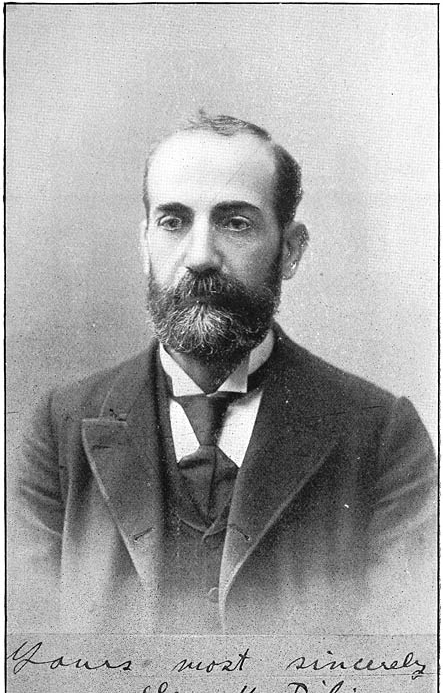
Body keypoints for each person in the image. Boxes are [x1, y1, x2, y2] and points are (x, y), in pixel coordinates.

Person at [10, 112, 436, 635]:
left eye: (235, 223)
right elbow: (28, 654)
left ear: (291, 250)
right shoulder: (58, 432)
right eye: (173, 222)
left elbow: (400, 658)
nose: (200, 257)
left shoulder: (384, 437)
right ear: (145, 245)